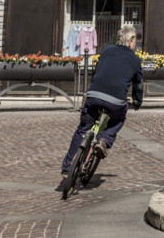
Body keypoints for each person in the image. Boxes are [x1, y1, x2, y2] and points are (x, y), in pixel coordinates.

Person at [61, 24, 143, 177]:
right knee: (117, 121)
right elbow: (138, 85)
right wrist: (137, 102)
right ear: (130, 41)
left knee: (83, 129)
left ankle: (67, 168)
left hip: (94, 95)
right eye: (135, 42)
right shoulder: (135, 60)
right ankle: (103, 141)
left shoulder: (106, 51)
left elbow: (98, 70)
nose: (135, 45)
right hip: (115, 101)